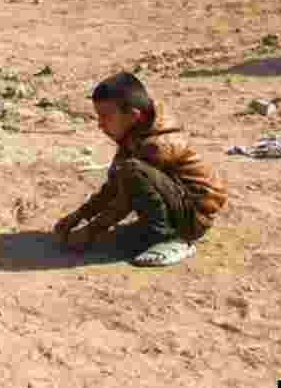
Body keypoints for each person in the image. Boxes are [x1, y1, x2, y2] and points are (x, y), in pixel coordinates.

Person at [54, 73, 227, 267]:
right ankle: (160, 231)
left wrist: (91, 230)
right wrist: (80, 215)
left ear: (133, 115)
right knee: (127, 178)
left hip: (193, 218)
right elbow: (113, 186)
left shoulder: (157, 145)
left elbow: (124, 200)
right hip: (179, 204)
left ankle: (171, 240)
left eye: (105, 116)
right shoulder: (136, 132)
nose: (100, 124)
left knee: (133, 171)